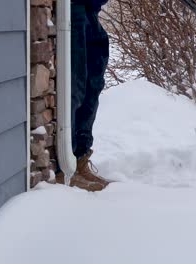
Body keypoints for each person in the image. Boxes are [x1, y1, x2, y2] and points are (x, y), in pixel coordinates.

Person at [57, 0, 110, 191]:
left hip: (91, 10)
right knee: (74, 86)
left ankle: (80, 158)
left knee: (92, 85)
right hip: (72, 8)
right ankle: (65, 167)